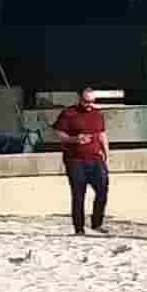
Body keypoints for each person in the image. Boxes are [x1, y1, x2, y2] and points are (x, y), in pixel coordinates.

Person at [49, 86, 110, 235]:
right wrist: (73, 139)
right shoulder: (69, 113)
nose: (89, 104)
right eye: (86, 101)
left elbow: (102, 134)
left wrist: (107, 155)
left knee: (102, 189)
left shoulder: (97, 114)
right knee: (78, 194)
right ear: (79, 99)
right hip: (75, 160)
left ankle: (96, 223)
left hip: (96, 158)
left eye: (92, 101)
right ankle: (79, 228)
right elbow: (58, 132)